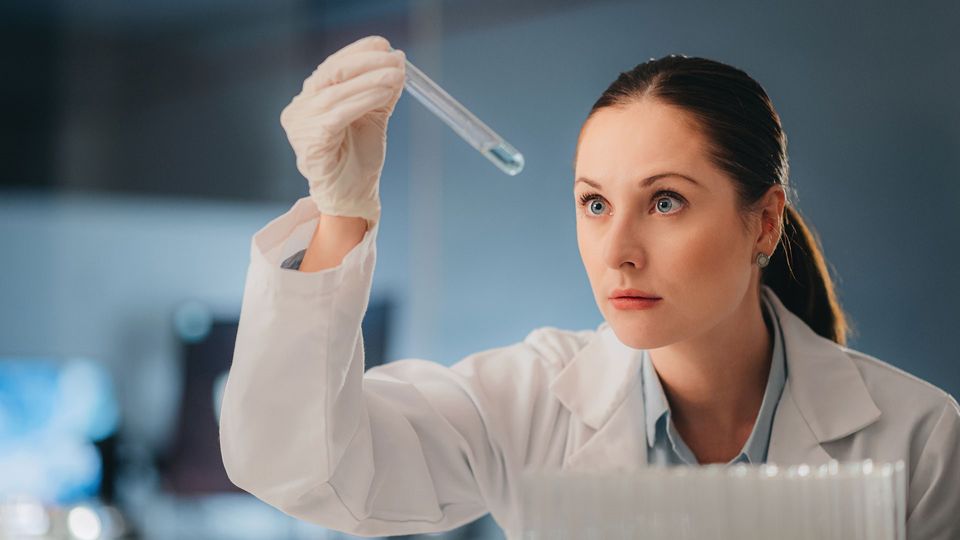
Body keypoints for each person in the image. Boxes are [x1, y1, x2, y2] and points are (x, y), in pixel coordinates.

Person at [219, 35, 960, 539]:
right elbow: (305, 469)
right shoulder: (525, 406)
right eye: (595, 203)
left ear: (764, 223)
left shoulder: (921, 439)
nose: (618, 252)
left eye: (665, 201)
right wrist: (344, 214)